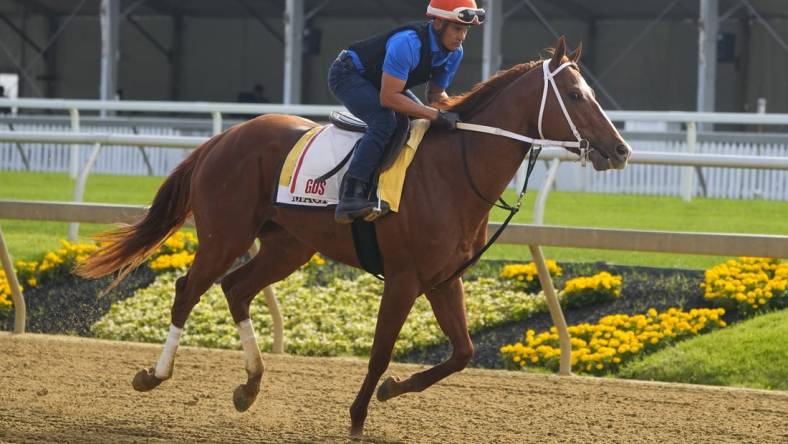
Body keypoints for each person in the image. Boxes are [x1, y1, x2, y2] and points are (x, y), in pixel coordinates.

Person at [328, 0, 485, 223]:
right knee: (385, 121)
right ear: (439, 23)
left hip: (382, 84)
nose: (461, 36)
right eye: (457, 28)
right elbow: (389, 97)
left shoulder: (455, 52)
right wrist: (434, 115)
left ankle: (386, 186)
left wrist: (457, 115)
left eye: (465, 30)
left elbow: (436, 95)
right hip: (348, 75)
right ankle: (351, 193)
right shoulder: (408, 43)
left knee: (409, 122)